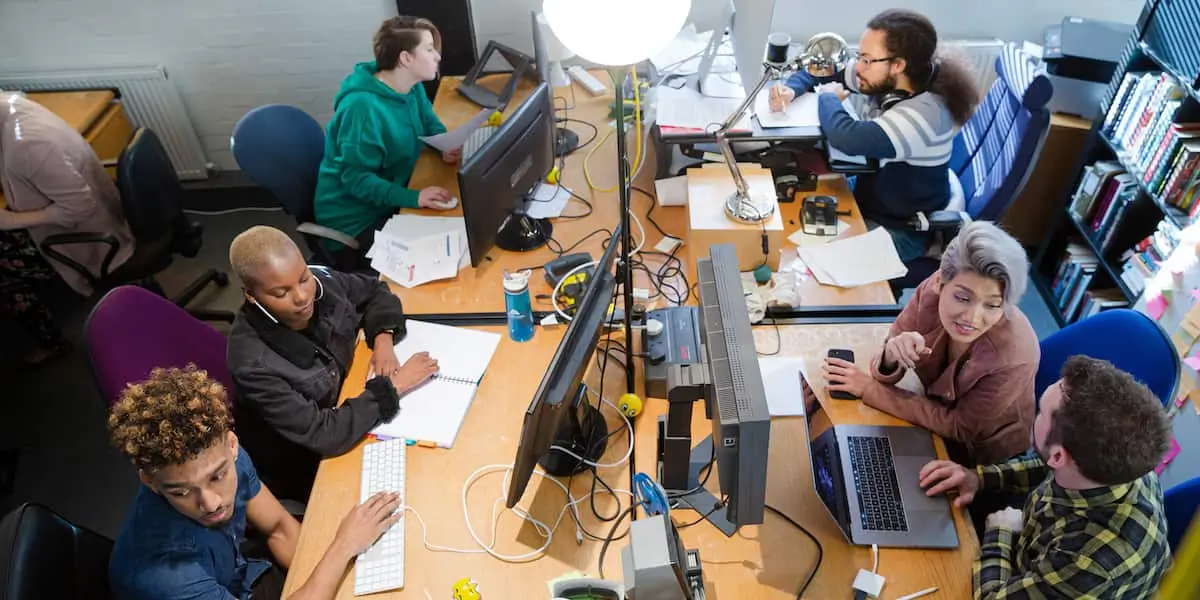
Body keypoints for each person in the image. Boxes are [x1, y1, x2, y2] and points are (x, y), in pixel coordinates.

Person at [108, 365, 403, 600]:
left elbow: (278, 528)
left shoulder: (221, 453)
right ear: (150, 482)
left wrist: (330, 577)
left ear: (232, 445)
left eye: (217, 476)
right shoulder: (165, 578)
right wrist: (341, 548)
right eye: (182, 491)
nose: (211, 503)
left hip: (240, 573)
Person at [919, 356, 1172, 598]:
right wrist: (979, 478)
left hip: (1052, 580)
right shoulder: (1115, 460)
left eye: (1040, 411)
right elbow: (1046, 465)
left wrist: (1000, 532)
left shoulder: (1088, 563)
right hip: (1038, 558)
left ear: (1060, 456)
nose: (1032, 415)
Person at [226, 226, 438, 503]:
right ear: (251, 296)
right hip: (308, 460)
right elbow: (323, 434)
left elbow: (375, 291)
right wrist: (393, 387)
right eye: (281, 293)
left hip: (351, 400)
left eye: (303, 278)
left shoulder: (321, 280)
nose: (302, 296)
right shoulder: (252, 362)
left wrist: (383, 338)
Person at [769, 9, 980, 261]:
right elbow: (823, 69)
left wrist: (828, 96)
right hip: (871, 196)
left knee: (806, 258)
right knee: (787, 208)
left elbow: (846, 137)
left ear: (898, 65)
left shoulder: (926, 114)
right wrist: (791, 91)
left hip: (900, 229)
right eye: (860, 56)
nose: (858, 67)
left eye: (867, 60)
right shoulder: (890, 79)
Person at [822, 221, 1037, 467]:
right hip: (929, 411)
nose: (972, 318)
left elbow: (960, 426)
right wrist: (892, 354)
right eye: (962, 298)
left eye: (992, 304)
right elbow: (887, 359)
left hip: (976, 456)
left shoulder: (1014, 355)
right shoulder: (931, 291)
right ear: (940, 283)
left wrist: (870, 390)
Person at [314, 16, 460, 271]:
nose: (437, 56)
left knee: (455, 230)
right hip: (357, 219)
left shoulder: (408, 85)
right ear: (406, 58)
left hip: (391, 194)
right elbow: (355, 179)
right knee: (440, 257)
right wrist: (413, 197)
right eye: (428, 49)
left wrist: (443, 143)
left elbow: (428, 120)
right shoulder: (362, 109)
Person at [0, 91, 135, 363]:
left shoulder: (27, 145)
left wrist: (13, 221)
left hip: (90, 236)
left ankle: (53, 344)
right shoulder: (13, 104)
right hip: (96, 210)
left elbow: (79, 208)